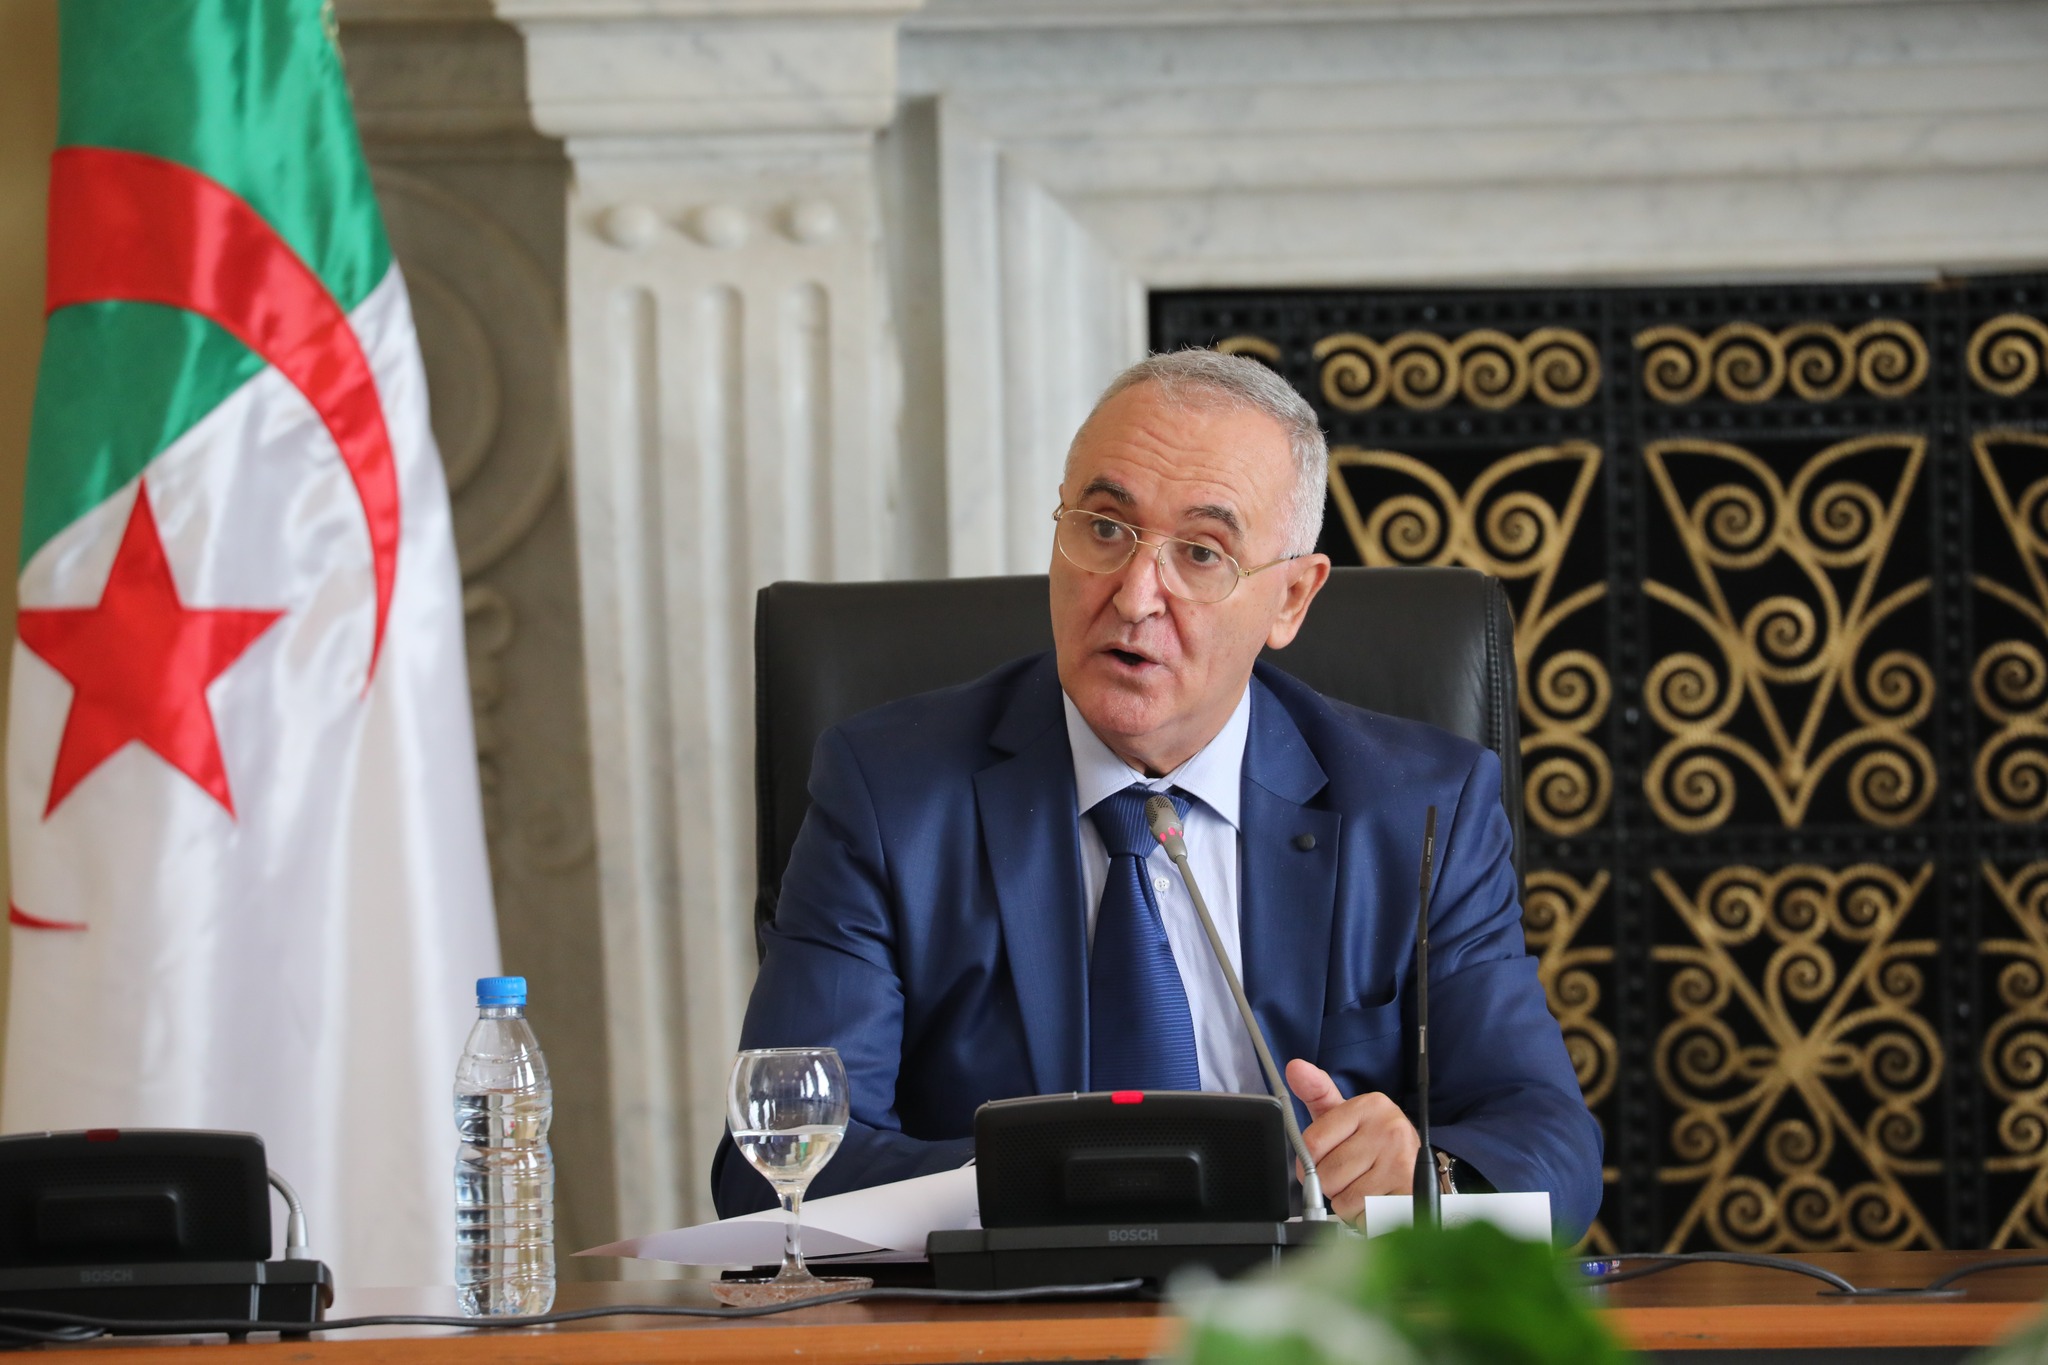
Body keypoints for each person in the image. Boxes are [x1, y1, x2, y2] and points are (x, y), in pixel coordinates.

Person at [712, 349, 1602, 1237]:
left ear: (1291, 598)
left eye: (1203, 553)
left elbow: (1551, 1144)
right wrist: (1057, 1182)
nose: (1135, 595)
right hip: (1011, 1306)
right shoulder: (887, 793)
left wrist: (1427, 1182)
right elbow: (776, 1165)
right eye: (1104, 528)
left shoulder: (1422, 807)